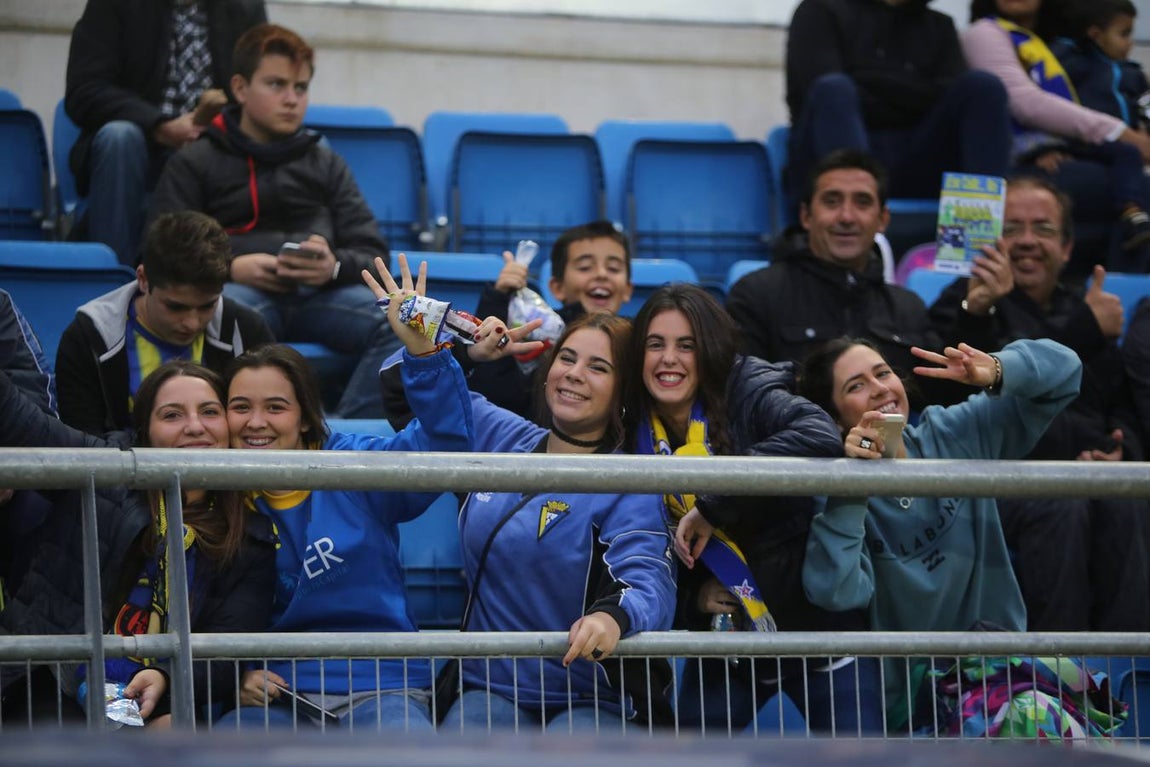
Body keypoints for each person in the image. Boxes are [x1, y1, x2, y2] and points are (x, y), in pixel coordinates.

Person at [216, 255, 475, 732]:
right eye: (240, 407)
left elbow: (444, 448)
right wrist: (229, 679)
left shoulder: (351, 464)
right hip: (274, 689)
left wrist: (425, 352)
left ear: (305, 416)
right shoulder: (215, 492)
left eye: (276, 407)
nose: (256, 423)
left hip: (382, 679)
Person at [623, 284, 881, 734]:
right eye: (655, 344)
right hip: (729, 643)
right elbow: (641, 548)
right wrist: (691, 600)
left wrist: (714, 503)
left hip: (817, 629)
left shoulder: (747, 385)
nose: (669, 359)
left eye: (687, 345)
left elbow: (818, 433)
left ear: (711, 349)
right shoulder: (629, 426)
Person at [798, 336, 1082, 733]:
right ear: (836, 418)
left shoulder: (950, 435)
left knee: (1042, 717)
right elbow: (836, 591)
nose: (880, 388)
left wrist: (998, 370)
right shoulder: (837, 492)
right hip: (920, 706)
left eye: (883, 373)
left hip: (1001, 672)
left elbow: (1066, 371)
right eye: (856, 385)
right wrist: (852, 484)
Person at [927, 173, 1149, 631]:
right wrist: (1084, 327)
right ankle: (1057, 677)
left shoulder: (1082, 304)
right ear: (990, 238)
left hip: (1086, 478)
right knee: (1061, 504)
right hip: (998, 490)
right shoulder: (966, 304)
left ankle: (1128, 677)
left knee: (1128, 498)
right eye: (1012, 229)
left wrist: (1119, 451)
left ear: (1067, 247)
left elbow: (1120, 405)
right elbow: (951, 398)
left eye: (1043, 229)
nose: (1027, 242)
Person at [0, 359, 277, 727]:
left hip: (153, 689)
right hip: (53, 679)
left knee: (175, 738)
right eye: (172, 415)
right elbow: (19, 421)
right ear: (145, 430)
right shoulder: (103, 473)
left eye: (209, 412)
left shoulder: (250, 539)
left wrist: (164, 677)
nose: (195, 427)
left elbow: (228, 651)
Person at [441, 313, 677, 733]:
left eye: (598, 367)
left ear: (622, 390)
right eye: (566, 358)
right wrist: (465, 352)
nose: (574, 374)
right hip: (489, 686)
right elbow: (414, 397)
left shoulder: (632, 480)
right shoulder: (500, 436)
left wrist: (610, 619)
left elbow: (648, 581)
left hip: (594, 696)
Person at [148, 22, 396, 419]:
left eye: (300, 88)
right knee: (216, 315)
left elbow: (373, 255)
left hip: (320, 297)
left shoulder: (325, 161)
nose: (291, 99)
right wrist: (230, 268)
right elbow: (160, 253)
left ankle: (339, 446)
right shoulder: (196, 160)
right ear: (240, 88)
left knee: (402, 321)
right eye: (276, 85)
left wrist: (331, 267)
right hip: (238, 294)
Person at [725, 149, 959, 410]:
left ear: (883, 219)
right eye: (832, 201)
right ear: (806, 216)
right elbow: (744, 400)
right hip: (796, 448)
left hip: (893, 448)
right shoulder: (756, 294)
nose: (846, 217)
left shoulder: (908, 306)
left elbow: (941, 398)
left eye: (862, 202)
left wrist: (975, 310)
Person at [64, 0, 267, 265]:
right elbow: (84, 91)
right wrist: (158, 125)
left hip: (215, 149)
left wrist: (218, 128)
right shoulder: (113, 5)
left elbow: (264, 87)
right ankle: (113, 279)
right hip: (139, 150)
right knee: (120, 137)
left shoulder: (244, 7)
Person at [381, 220, 634, 429]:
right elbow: (490, 399)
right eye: (566, 358)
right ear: (555, 286)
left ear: (628, 289)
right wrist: (494, 306)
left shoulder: (640, 343)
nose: (575, 375)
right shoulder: (538, 331)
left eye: (613, 267)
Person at [963, 0, 1150, 271]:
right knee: (1135, 191)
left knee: (1131, 189)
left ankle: (1116, 294)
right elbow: (1025, 103)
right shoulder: (985, 32)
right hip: (1014, 162)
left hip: (1067, 153)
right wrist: (1122, 134)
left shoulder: (1058, 47)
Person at [782, 0, 1011, 220]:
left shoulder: (940, 25)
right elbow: (820, 95)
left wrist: (868, 80)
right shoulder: (820, 11)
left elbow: (948, 93)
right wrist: (916, 94)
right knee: (835, 90)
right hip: (834, 155)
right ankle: (853, 216)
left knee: (983, 87)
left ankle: (978, 236)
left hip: (918, 158)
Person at [56, 211, 273, 438]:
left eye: (207, 306)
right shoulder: (87, 337)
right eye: (176, 307)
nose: (191, 323)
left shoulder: (247, 329)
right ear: (143, 279)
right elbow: (83, 447)